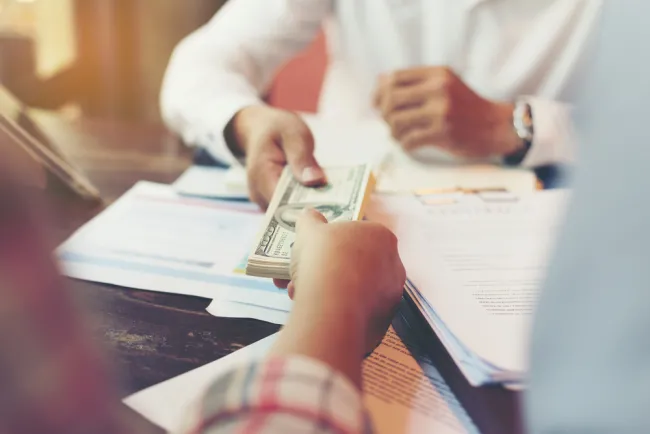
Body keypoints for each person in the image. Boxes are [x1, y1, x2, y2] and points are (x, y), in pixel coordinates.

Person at [161, 0, 603, 208]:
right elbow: (201, 63)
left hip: (545, 227)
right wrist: (245, 121)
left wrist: (520, 125)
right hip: (356, 216)